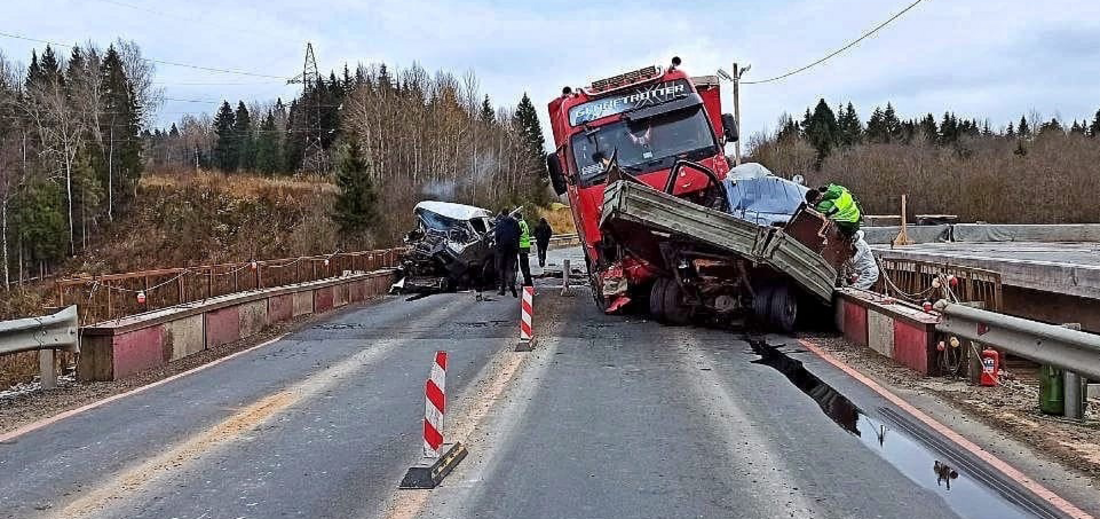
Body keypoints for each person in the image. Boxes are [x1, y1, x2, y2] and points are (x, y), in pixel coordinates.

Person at [493, 210, 521, 297]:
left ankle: (502, 289)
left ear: (502, 214)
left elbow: (497, 236)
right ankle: (511, 283)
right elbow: (520, 232)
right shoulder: (515, 222)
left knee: (501, 268)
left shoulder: (500, 224)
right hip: (513, 248)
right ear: (508, 214)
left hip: (502, 248)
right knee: (510, 267)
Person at [517, 212, 533, 287]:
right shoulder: (524, 223)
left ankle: (528, 282)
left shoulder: (519, 224)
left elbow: (518, 234)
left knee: (523, 265)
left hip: (522, 246)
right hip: (526, 245)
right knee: (525, 264)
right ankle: (528, 281)